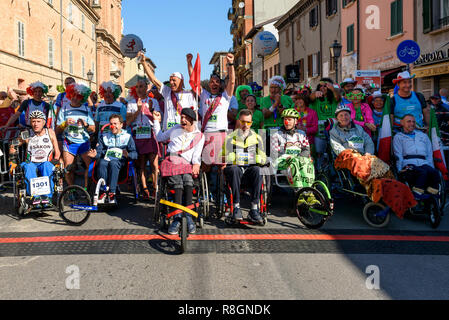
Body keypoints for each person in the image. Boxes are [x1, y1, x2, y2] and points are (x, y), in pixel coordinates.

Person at [153, 108, 205, 235]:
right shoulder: (175, 129)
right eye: (181, 117)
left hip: (187, 163)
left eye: (186, 118)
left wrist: (197, 164)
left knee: (188, 181)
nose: (182, 120)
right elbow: (160, 138)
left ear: (192, 121)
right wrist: (156, 121)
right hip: (171, 161)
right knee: (177, 182)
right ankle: (176, 218)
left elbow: (196, 155)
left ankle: (187, 216)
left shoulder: (199, 136)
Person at [187, 52, 235, 166]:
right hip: (207, 134)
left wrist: (231, 64)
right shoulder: (204, 94)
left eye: (217, 82)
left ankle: (223, 183)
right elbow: (194, 81)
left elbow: (232, 82)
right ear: (208, 84)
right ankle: (209, 184)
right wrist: (189, 63)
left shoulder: (225, 96)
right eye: (212, 82)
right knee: (206, 165)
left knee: (222, 165)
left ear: (221, 84)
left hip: (221, 133)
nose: (214, 84)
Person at [222, 109, 267, 224]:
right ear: (238, 121)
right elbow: (222, 156)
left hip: (250, 172)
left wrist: (256, 159)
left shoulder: (257, 138)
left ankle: (254, 209)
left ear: (251, 123)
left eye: (248, 122)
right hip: (235, 172)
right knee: (233, 169)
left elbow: (263, 157)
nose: (245, 125)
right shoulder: (230, 137)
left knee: (258, 169)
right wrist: (232, 158)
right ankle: (236, 207)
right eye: (243, 122)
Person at [9, 111, 60, 208]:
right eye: (33, 121)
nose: (35, 124)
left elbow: (57, 152)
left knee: (47, 166)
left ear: (44, 122)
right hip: (31, 163)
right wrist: (13, 148)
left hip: (46, 162)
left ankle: (47, 197)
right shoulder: (27, 134)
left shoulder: (50, 132)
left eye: (38, 121)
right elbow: (14, 144)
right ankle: (35, 196)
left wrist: (55, 160)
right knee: (29, 167)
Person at [137, 51, 198, 132]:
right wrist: (144, 63)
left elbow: (194, 114)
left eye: (174, 80)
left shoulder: (189, 94)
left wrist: (189, 63)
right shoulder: (167, 91)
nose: (171, 82)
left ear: (181, 82)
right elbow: (154, 80)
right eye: (170, 80)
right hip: (168, 133)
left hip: (183, 132)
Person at [87, 114, 138, 204]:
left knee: (113, 163)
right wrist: (94, 155)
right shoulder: (104, 137)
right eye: (111, 124)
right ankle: (103, 191)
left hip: (121, 163)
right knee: (102, 163)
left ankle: (112, 192)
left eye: (115, 124)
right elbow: (99, 153)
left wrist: (128, 155)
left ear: (121, 125)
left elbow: (135, 154)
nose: (112, 126)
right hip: (106, 160)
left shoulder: (127, 137)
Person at [56, 83, 95, 189]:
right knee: (68, 169)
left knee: (90, 167)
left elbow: (93, 128)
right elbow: (57, 130)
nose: (74, 98)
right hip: (70, 142)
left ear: (82, 97)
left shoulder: (86, 109)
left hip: (84, 142)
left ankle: (86, 190)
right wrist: (65, 124)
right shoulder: (64, 109)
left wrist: (85, 124)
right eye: (72, 95)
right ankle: (72, 190)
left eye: (78, 96)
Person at [126, 79, 160, 199]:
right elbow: (128, 122)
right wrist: (138, 110)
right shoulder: (131, 103)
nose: (139, 89)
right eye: (137, 87)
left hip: (150, 134)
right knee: (141, 165)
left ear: (147, 88)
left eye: (141, 86)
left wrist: (150, 110)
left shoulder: (154, 101)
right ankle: (145, 188)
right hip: (138, 135)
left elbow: (158, 119)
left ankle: (156, 188)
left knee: (154, 164)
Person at [393, 114, 441, 198]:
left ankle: (431, 196)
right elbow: (398, 154)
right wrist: (399, 169)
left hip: (423, 162)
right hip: (408, 162)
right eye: (409, 121)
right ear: (402, 123)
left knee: (434, 173)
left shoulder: (423, 136)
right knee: (422, 173)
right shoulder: (398, 137)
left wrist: (431, 167)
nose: (412, 124)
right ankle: (416, 196)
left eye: (413, 122)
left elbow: (429, 154)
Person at [309, 78, 342, 167]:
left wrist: (332, 89)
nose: (323, 88)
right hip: (320, 127)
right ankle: (320, 169)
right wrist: (314, 94)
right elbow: (310, 98)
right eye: (321, 86)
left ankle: (334, 170)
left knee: (334, 150)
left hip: (333, 126)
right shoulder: (316, 97)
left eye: (325, 86)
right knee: (319, 151)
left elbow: (338, 97)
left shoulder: (334, 96)